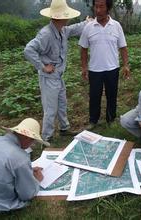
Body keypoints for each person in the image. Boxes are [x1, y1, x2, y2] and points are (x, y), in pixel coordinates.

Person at [24, 0, 89, 141]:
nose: (68, 18)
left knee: (62, 104)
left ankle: (64, 128)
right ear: (60, 17)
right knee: (50, 109)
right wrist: (42, 66)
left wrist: (87, 23)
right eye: (66, 15)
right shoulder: (46, 34)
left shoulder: (62, 30)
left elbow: (74, 28)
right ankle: (46, 138)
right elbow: (28, 49)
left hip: (58, 76)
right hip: (49, 78)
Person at [79, 0, 130, 129]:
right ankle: (93, 121)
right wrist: (84, 67)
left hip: (112, 68)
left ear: (108, 8)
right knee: (94, 96)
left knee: (112, 95)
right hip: (95, 69)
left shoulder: (116, 25)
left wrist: (126, 65)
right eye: (96, 6)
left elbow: (123, 47)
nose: (98, 10)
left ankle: (111, 119)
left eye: (101, 6)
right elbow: (83, 49)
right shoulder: (89, 27)